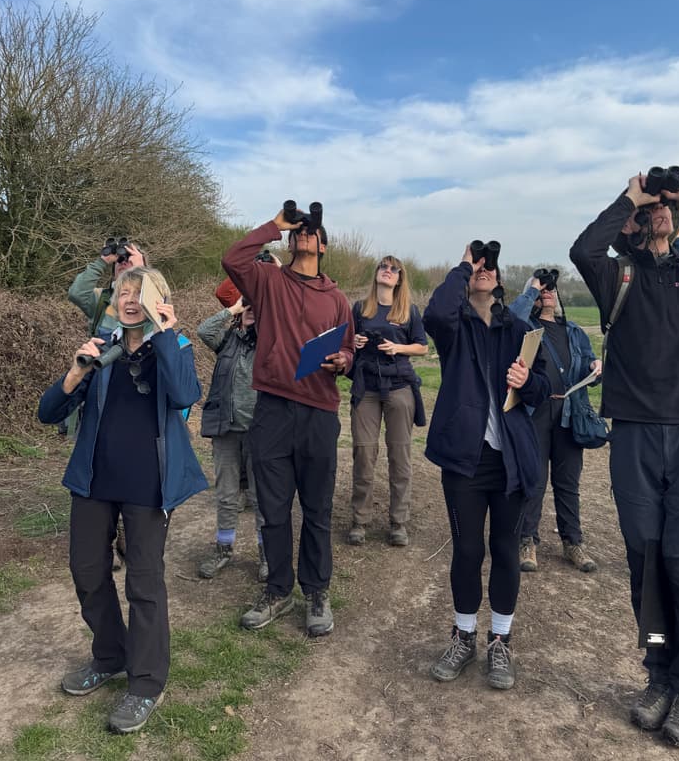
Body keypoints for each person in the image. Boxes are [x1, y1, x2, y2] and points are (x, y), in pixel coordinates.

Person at [38, 266, 206, 735]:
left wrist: (168, 334)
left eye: (141, 293)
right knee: (87, 572)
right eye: (123, 292)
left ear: (159, 300)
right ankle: (110, 656)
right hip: (93, 481)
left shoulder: (172, 347)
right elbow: (47, 411)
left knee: (144, 584)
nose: (130, 299)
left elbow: (185, 395)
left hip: (149, 485)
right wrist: (75, 371)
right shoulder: (103, 349)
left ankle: (147, 683)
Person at [570, 172, 679, 747]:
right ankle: (656, 677)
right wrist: (632, 198)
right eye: (655, 207)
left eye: (670, 207)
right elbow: (582, 248)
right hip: (636, 436)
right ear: (635, 222)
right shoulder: (616, 276)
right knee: (645, 565)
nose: (663, 211)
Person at [222, 207, 354, 638]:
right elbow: (233, 260)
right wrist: (276, 226)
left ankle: (316, 591)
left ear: (324, 247)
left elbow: (349, 351)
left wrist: (342, 361)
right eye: (302, 230)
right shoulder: (268, 282)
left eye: (314, 232)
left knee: (317, 510)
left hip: (319, 411)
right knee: (273, 510)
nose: (306, 235)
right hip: (273, 409)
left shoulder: (336, 299)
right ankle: (277, 590)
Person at [423, 245, 549, 690]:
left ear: (499, 281)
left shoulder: (519, 329)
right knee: (467, 550)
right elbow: (436, 310)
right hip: (464, 460)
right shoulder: (453, 328)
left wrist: (527, 381)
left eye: (489, 266)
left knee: (506, 551)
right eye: (479, 264)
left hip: (509, 459)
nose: (483, 269)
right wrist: (462, 264)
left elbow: (544, 386)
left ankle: (500, 641)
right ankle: (463, 635)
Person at [509, 274, 602, 574]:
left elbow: (589, 363)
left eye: (552, 290)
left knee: (568, 482)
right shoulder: (527, 328)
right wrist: (531, 289)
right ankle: (527, 540)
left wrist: (595, 367)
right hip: (537, 410)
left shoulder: (574, 332)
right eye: (542, 291)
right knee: (533, 479)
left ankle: (572, 542)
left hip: (570, 412)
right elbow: (510, 320)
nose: (548, 294)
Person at [66, 238, 147, 567]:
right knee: (97, 463)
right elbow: (76, 291)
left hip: (134, 395)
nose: (124, 262)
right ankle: (107, 538)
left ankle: (129, 531)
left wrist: (140, 272)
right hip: (98, 388)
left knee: (128, 462)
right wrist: (103, 261)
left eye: (129, 257)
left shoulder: (151, 300)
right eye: (121, 260)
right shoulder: (103, 299)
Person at [347, 255, 428, 548]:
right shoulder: (359, 308)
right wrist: (354, 342)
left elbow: (422, 347)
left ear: (400, 278)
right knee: (364, 454)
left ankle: (398, 522)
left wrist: (397, 347)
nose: (388, 271)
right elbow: (345, 345)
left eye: (395, 269)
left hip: (398, 386)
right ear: (376, 273)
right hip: (366, 387)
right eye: (384, 266)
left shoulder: (409, 311)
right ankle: (360, 519)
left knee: (400, 455)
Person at [196, 295, 267, 582]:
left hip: (259, 431)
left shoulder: (271, 345)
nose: (251, 312)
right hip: (225, 428)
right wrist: (234, 309)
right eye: (247, 308)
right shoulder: (227, 340)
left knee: (261, 497)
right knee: (225, 494)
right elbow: (204, 331)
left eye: (256, 307)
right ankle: (223, 549)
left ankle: (267, 554)